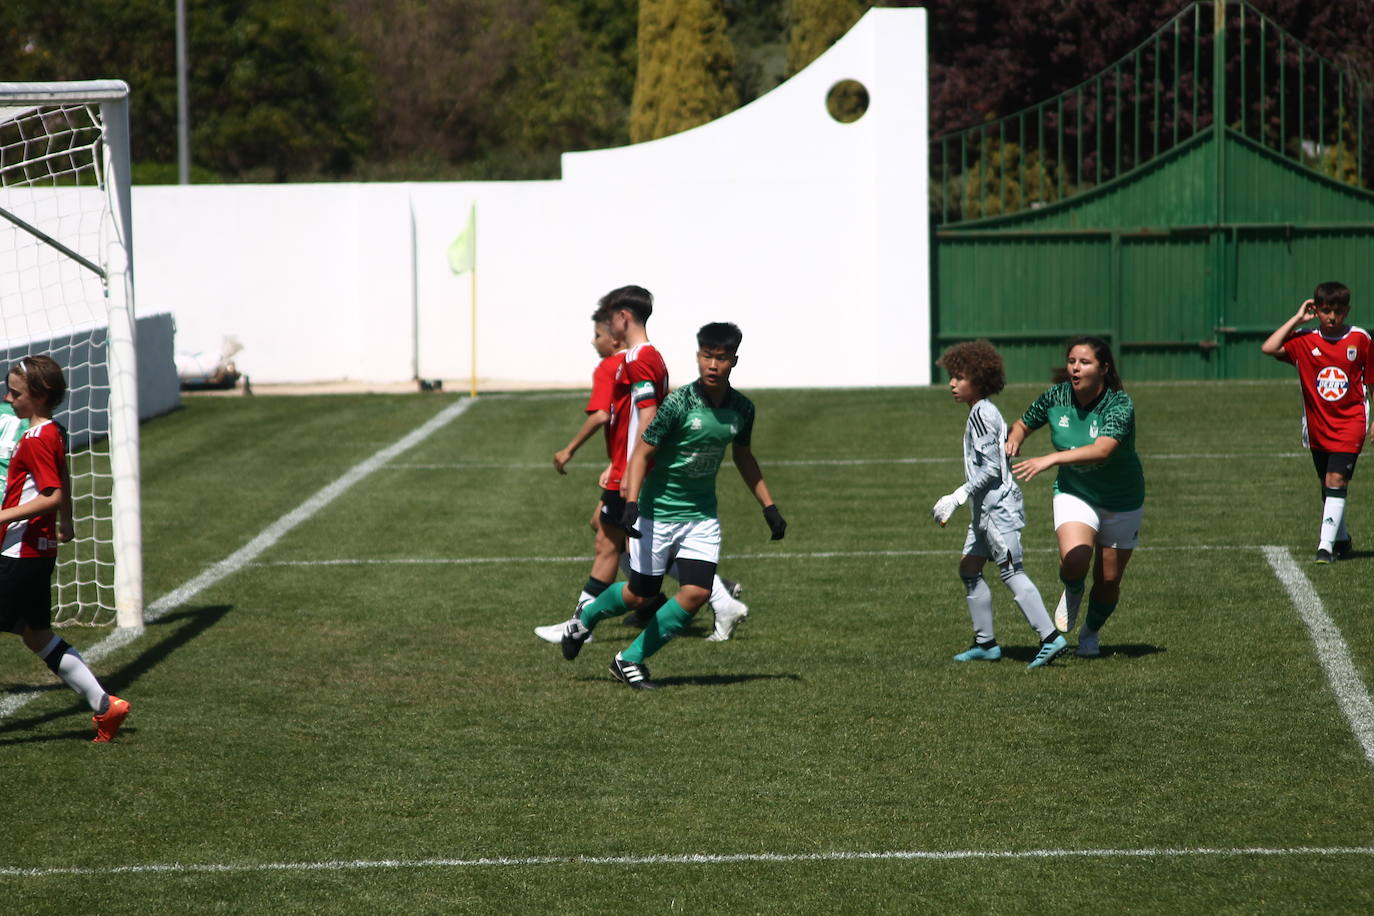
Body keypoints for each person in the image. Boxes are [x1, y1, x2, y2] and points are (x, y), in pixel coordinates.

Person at [556, 322, 787, 689]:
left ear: (734, 361)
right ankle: (583, 620)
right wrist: (631, 502)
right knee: (639, 594)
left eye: (722, 358)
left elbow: (744, 457)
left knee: (695, 593)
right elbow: (642, 453)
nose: (713, 365)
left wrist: (769, 507)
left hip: (701, 518)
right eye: (707, 356)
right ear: (698, 357)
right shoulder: (678, 404)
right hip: (657, 514)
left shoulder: (742, 409)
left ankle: (628, 660)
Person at [534, 287, 748, 643]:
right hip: (631, 466)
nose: (605, 327)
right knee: (619, 542)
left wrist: (630, 470)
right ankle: (718, 595)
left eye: (609, 318)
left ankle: (580, 627)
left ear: (623, 317)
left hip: (637, 470)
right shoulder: (641, 357)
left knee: (609, 543)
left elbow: (647, 418)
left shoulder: (639, 359)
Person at [0, 355, 129, 740]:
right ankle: (106, 707)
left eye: (15, 392)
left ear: (38, 396)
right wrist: (67, 522)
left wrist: (3, 516)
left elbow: (51, 494)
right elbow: (63, 480)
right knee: (37, 636)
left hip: (18, 554)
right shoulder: (53, 431)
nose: (8, 398)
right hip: (39, 553)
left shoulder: (36, 437)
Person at [1006, 337, 1144, 659]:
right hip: (1075, 491)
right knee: (1075, 558)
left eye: (1084, 362)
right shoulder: (1057, 395)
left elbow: (1103, 449)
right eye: (1071, 361)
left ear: (1104, 368)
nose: (1075, 368)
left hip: (1122, 498)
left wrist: (1050, 459)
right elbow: (1023, 423)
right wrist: (1014, 440)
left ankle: (1090, 634)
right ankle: (1072, 588)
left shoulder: (1118, 404)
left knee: (1109, 580)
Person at [931, 341, 1066, 668]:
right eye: (952, 376)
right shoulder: (982, 410)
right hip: (985, 511)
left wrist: (958, 495)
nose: (952, 383)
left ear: (979, 380)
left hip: (997, 510)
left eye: (959, 377)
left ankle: (1050, 637)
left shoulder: (981, 414)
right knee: (969, 568)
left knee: (1011, 571)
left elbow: (991, 469)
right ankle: (986, 643)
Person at [1260, 282, 1371, 563]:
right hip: (1318, 426)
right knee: (1328, 483)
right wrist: (1298, 318)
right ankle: (1342, 539)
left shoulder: (1360, 339)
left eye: (1338, 311)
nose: (1332, 317)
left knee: (1336, 479)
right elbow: (1269, 347)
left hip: (1351, 422)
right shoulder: (1305, 340)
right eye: (1325, 311)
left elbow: (1372, 381)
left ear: (1347, 311)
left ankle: (1325, 547)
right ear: (1316, 310)